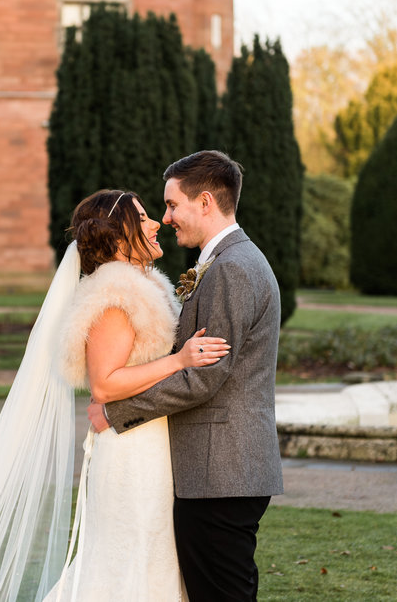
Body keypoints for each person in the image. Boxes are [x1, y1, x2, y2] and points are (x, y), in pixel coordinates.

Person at [0, 189, 229, 602]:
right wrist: (179, 361)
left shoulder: (140, 290)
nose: (157, 223)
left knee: (151, 560)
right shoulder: (115, 299)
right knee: (128, 564)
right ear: (119, 239)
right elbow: (104, 384)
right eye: (142, 219)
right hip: (131, 454)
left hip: (150, 445)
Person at [89, 150, 285, 601]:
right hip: (223, 469)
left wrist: (116, 409)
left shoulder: (232, 269)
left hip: (222, 470)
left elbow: (204, 378)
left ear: (204, 203)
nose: (166, 217)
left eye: (172, 205)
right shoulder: (226, 263)